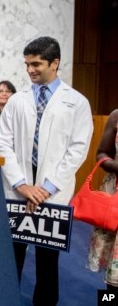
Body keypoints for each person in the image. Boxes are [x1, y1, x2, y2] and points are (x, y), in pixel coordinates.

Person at [0, 36, 93, 305]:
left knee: (48, 262)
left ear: (55, 62)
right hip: (18, 192)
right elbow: (3, 143)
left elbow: (77, 149)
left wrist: (45, 188)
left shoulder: (77, 102)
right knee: (12, 256)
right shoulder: (17, 101)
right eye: (27, 64)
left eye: (36, 64)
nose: (30, 70)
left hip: (53, 194)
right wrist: (21, 185)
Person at [87, 108, 118, 291]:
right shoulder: (116, 115)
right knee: (113, 282)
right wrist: (113, 165)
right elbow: (101, 153)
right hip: (115, 198)